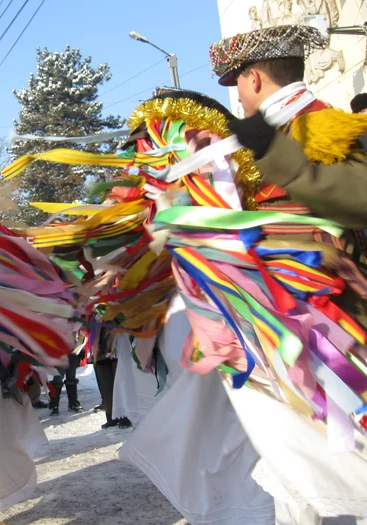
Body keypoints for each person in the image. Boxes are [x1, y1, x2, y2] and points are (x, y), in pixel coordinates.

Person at [209, 23, 367, 523]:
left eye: (237, 83)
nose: (237, 95)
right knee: (292, 459)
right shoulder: (265, 138)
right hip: (283, 329)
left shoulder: (322, 128)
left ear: (253, 78)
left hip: (337, 328)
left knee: (347, 454)